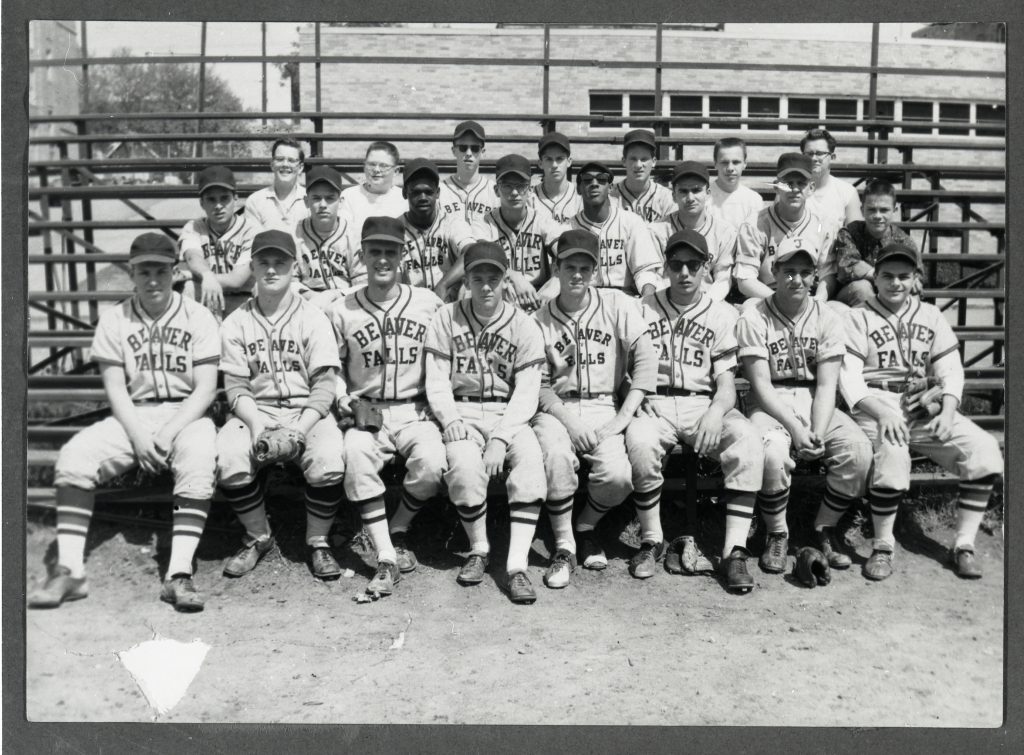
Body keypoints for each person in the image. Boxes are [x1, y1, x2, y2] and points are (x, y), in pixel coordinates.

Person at [28, 233, 220, 612]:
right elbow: (115, 389)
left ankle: (178, 574)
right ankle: (69, 571)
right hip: (134, 413)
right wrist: (139, 436)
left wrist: (165, 434)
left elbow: (206, 389)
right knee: (75, 456)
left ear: (175, 271)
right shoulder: (115, 318)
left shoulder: (198, 315)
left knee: (198, 458)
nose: (152, 279)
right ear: (132, 273)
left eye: (161, 270)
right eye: (144, 270)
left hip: (187, 413)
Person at [839, 241, 1003, 581]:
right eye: (887, 276)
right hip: (876, 402)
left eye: (903, 276)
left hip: (923, 403)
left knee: (984, 449)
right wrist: (882, 414)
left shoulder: (930, 315)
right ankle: (883, 545)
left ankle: (963, 545)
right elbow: (849, 379)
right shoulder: (858, 316)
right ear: (876, 279)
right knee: (894, 453)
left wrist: (948, 408)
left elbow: (951, 370)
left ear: (915, 278)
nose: (895, 283)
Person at [625, 229, 764, 592]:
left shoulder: (720, 314)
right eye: (676, 264)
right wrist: (638, 402)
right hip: (653, 403)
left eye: (693, 264)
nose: (684, 272)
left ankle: (734, 550)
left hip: (703, 402)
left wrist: (716, 413)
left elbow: (726, 384)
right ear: (665, 268)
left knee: (747, 438)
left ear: (706, 268)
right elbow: (624, 372)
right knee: (639, 441)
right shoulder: (642, 309)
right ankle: (651, 540)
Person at [736, 237, 872, 576]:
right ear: (775, 272)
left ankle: (823, 528)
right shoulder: (755, 316)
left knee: (858, 451)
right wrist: (796, 429)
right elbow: (761, 385)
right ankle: (777, 532)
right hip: (770, 402)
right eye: (788, 271)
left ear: (814, 277)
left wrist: (817, 431)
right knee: (771, 454)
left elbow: (828, 384)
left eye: (804, 272)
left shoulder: (827, 316)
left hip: (816, 399)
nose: (796, 279)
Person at [216, 230, 346, 581]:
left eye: (280, 263)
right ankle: (259, 536)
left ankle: (318, 541)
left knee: (329, 458)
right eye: (263, 262)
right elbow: (236, 386)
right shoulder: (236, 322)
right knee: (229, 456)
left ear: (295, 268)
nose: (271, 270)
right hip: (255, 410)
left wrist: (299, 430)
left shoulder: (313, 317)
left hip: (306, 411)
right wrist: (257, 427)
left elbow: (324, 384)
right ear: (253, 267)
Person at [327, 217, 447, 596]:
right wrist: (344, 397)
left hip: (416, 408)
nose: (382, 259)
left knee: (432, 464)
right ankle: (386, 557)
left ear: (403, 254)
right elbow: (332, 368)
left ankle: (397, 526)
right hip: (368, 411)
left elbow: (447, 356)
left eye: (390, 251)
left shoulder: (428, 303)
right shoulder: (342, 309)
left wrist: (438, 402)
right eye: (374, 251)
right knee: (356, 454)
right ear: (362, 255)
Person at [423, 242, 548, 603]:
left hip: (507, 412)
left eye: (494, 278)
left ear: (506, 279)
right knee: (462, 467)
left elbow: (526, 391)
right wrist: (449, 419)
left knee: (530, 465)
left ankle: (517, 566)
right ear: (467, 281)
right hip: (460, 410)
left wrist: (501, 438)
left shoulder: (524, 324)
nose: (486, 286)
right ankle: (479, 548)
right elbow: (436, 379)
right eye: (478, 278)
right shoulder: (446, 317)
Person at [531, 229, 657, 585]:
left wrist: (623, 416)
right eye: (569, 266)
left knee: (618, 477)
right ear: (555, 268)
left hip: (604, 405)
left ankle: (585, 524)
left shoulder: (617, 304)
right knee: (557, 458)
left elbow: (646, 359)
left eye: (585, 268)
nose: (577, 275)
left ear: (596, 272)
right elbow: (538, 387)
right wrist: (569, 422)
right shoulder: (538, 321)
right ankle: (564, 546)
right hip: (556, 409)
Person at [540, 161, 662, 299]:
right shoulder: (568, 229)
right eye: (587, 180)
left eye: (601, 179)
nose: (594, 183)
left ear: (610, 188)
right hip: (584, 299)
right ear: (579, 189)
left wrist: (646, 300)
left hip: (624, 297)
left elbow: (645, 271)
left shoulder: (631, 222)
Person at [733, 153, 837, 305]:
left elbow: (827, 275)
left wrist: (818, 301)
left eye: (801, 183)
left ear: (811, 188)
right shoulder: (755, 224)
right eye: (788, 183)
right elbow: (745, 280)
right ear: (777, 186)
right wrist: (780, 301)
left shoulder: (823, 224)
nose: (794, 189)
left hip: (809, 296)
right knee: (749, 308)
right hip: (767, 296)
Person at [470, 153, 568, 311]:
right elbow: (481, 257)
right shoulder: (484, 223)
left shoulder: (542, 220)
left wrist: (555, 283)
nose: (514, 192)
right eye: (507, 185)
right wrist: (513, 275)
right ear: (496, 190)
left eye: (520, 185)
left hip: (538, 298)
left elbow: (567, 254)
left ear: (529, 189)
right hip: (499, 298)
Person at [648, 161, 736, 302]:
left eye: (696, 190)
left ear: (708, 194)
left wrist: (705, 305)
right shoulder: (656, 230)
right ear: (674, 196)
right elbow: (655, 277)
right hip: (667, 303)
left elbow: (723, 279)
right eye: (683, 191)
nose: (690, 198)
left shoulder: (725, 231)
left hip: (709, 302)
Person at [178, 166, 258, 319]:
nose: (218, 206)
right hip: (206, 295)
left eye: (224, 198)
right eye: (211, 199)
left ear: (235, 198)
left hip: (242, 299)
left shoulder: (251, 230)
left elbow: (237, 280)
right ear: (202, 203)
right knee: (187, 288)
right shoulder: (194, 227)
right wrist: (207, 276)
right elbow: (193, 256)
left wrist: (194, 275)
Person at [396, 158, 475, 299]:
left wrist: (443, 284)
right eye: (415, 192)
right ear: (404, 193)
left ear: (437, 193)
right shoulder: (395, 228)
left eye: (428, 192)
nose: (423, 197)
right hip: (411, 308)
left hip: (449, 306)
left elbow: (472, 252)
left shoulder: (451, 222)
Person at [834, 179, 919, 307]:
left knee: (911, 293)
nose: (877, 215)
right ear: (862, 210)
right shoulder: (850, 233)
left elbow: (917, 274)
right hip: (851, 299)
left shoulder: (903, 241)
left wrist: (911, 280)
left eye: (884, 210)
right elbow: (847, 266)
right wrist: (882, 277)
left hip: (890, 290)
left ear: (894, 210)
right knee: (863, 288)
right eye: (872, 210)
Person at [293, 166, 362, 307]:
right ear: (306, 201)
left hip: (347, 302)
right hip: (306, 302)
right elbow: (289, 282)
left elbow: (363, 284)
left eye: (330, 198)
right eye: (316, 198)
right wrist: (313, 297)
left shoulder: (354, 235)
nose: (323, 205)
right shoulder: (294, 233)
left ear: (341, 201)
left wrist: (334, 295)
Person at [800, 127, 864, 238]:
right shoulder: (791, 190)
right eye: (809, 154)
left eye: (819, 153)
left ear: (832, 157)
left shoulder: (848, 192)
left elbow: (856, 237)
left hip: (836, 254)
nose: (814, 158)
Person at [438, 120, 499, 224]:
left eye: (475, 148)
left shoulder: (494, 192)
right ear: (454, 151)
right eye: (463, 148)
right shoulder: (440, 191)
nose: (468, 153)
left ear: (483, 152)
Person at [339, 141, 407, 235]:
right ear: (364, 167)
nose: (376, 170)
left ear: (396, 171)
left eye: (383, 166)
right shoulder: (349, 196)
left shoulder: (404, 199)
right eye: (371, 164)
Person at [609, 128, 676, 222]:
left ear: (653, 162)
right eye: (633, 159)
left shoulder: (666, 198)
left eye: (644, 159)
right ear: (624, 161)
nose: (638, 165)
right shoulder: (610, 196)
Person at [244, 137, 309, 233]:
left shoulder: (310, 200)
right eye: (280, 159)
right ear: (272, 164)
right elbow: (253, 242)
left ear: (300, 168)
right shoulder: (255, 201)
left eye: (291, 160)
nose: (285, 164)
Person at [708, 137, 765, 230]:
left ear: (745, 164)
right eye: (724, 162)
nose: (730, 168)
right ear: (715, 163)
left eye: (736, 162)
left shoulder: (754, 200)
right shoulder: (704, 198)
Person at [532, 131, 582, 224]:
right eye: (549, 159)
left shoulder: (580, 198)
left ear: (569, 162)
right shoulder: (530, 199)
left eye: (560, 159)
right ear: (540, 163)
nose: (554, 165)